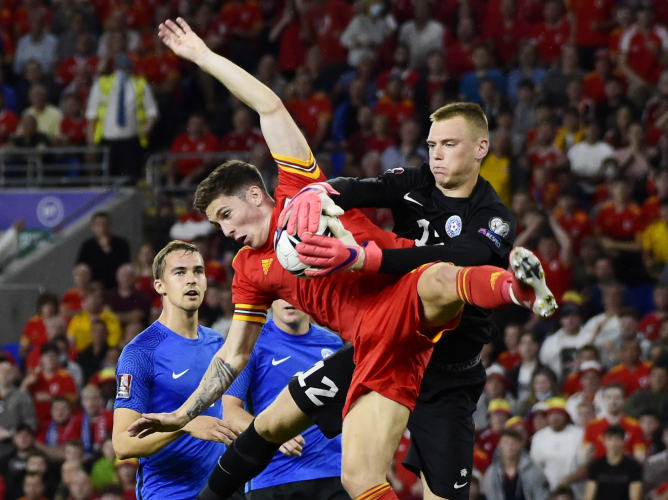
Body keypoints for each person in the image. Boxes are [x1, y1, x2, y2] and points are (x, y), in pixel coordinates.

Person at [128, 18, 556, 500]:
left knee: (437, 277)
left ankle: (516, 288)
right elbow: (233, 355)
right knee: (344, 469)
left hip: (410, 309)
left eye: (226, 215)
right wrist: (183, 414)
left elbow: (270, 106)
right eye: (217, 225)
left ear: (255, 194)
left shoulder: (299, 191)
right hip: (371, 347)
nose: (226, 232)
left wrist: (204, 58)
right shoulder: (248, 270)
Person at [112, 240, 242, 499]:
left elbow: (229, 415)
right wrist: (183, 425)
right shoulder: (140, 353)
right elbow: (122, 444)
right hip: (168, 493)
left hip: (221, 491)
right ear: (160, 286)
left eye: (198, 271)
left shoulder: (217, 343)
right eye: (180, 272)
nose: (191, 279)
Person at [223, 299, 347, 498]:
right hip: (274, 478)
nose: (289, 300)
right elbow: (230, 412)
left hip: (334, 474)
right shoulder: (251, 343)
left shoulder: (332, 343)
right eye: (281, 294)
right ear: (270, 300)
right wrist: (273, 434)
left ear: (308, 295)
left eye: (293, 292)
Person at [85, 54, 158, 180]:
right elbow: (92, 114)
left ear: (131, 69)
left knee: (130, 179)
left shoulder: (140, 85)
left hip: (131, 140)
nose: (122, 71)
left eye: (125, 68)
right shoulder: (102, 84)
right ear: (114, 68)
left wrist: (147, 128)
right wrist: (91, 140)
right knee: (108, 178)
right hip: (107, 140)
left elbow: (152, 112)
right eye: (119, 68)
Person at [483, 428, 550, 500]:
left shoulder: (533, 470)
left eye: (513, 443)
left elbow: (541, 495)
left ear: (520, 445)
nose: (509, 447)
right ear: (500, 445)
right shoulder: (492, 473)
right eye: (506, 443)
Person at [583, 425, 643, 500]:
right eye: (610, 439)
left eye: (617, 439)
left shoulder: (634, 466)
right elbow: (589, 496)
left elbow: (635, 497)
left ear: (624, 441)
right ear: (604, 441)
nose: (613, 443)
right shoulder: (596, 466)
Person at [76, 212, 130, 289]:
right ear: (93, 227)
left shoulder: (121, 243)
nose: (102, 228)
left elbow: (124, 267)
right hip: (93, 288)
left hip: (116, 287)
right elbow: (81, 267)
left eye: (104, 224)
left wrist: (107, 249)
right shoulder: (88, 245)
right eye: (98, 225)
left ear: (109, 225)